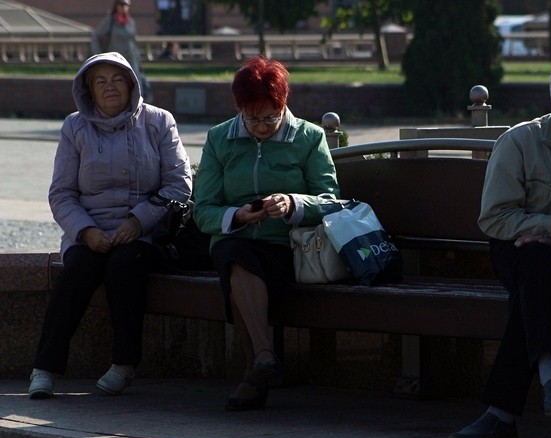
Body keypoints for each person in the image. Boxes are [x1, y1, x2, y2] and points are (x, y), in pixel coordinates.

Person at [448, 57, 551, 438]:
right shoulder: (521, 142)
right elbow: (494, 218)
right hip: (521, 255)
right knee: (537, 261)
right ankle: (550, 374)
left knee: (533, 294)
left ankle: (503, 412)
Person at [28, 52, 192, 399]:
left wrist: (139, 221)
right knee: (75, 272)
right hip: (91, 231)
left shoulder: (159, 121)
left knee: (123, 267)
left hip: (145, 232)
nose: (110, 87)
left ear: (132, 83)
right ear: (88, 90)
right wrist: (85, 231)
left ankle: (124, 364)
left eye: (117, 79)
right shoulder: (75, 127)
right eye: (100, 81)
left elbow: (179, 184)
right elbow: (61, 193)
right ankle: (44, 369)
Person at [192, 56, 339, 412]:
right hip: (236, 240)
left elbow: (331, 201)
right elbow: (202, 208)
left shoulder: (309, 137)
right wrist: (237, 214)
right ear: (239, 109)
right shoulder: (219, 138)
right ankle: (263, 357)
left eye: (270, 117)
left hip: (291, 247)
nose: (261, 127)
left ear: (283, 104)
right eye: (252, 117)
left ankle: (256, 367)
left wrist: (292, 203)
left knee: (237, 265)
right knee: (234, 257)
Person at [91, 0, 151, 102]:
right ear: (116, 6)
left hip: (132, 61)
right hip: (116, 61)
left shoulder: (131, 22)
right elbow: (96, 36)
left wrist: (139, 62)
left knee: (136, 88)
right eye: (121, 4)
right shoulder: (110, 21)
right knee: (118, 86)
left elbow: (133, 42)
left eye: (126, 5)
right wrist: (98, 55)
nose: (124, 7)